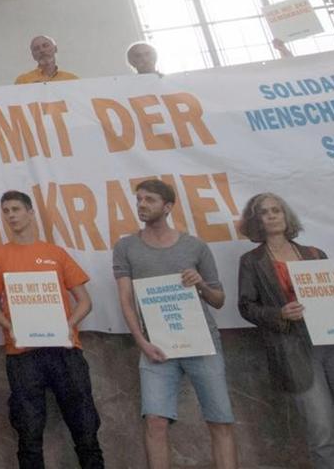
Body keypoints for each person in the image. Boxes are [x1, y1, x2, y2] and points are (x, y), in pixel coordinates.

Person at [234, 193, 334, 469]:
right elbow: (246, 306)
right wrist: (279, 314)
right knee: (322, 432)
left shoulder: (314, 253)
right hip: (294, 349)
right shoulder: (252, 261)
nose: (273, 215)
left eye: (277, 210)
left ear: (287, 217)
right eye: (264, 212)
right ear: (256, 220)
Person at [113, 179, 236, 469]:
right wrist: (141, 342)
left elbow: (218, 299)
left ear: (167, 207)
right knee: (155, 420)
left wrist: (201, 284)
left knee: (220, 419)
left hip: (202, 343)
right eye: (139, 199)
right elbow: (126, 300)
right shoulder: (126, 247)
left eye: (150, 200)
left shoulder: (195, 246)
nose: (142, 205)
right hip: (156, 345)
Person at [0, 191, 103, 469]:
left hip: (65, 351)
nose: (11, 215)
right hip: (23, 355)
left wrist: (67, 325)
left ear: (30, 212)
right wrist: (12, 327)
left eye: (16, 209)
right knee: (28, 432)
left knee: (85, 427)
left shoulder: (54, 253)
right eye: (6, 211)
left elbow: (85, 301)